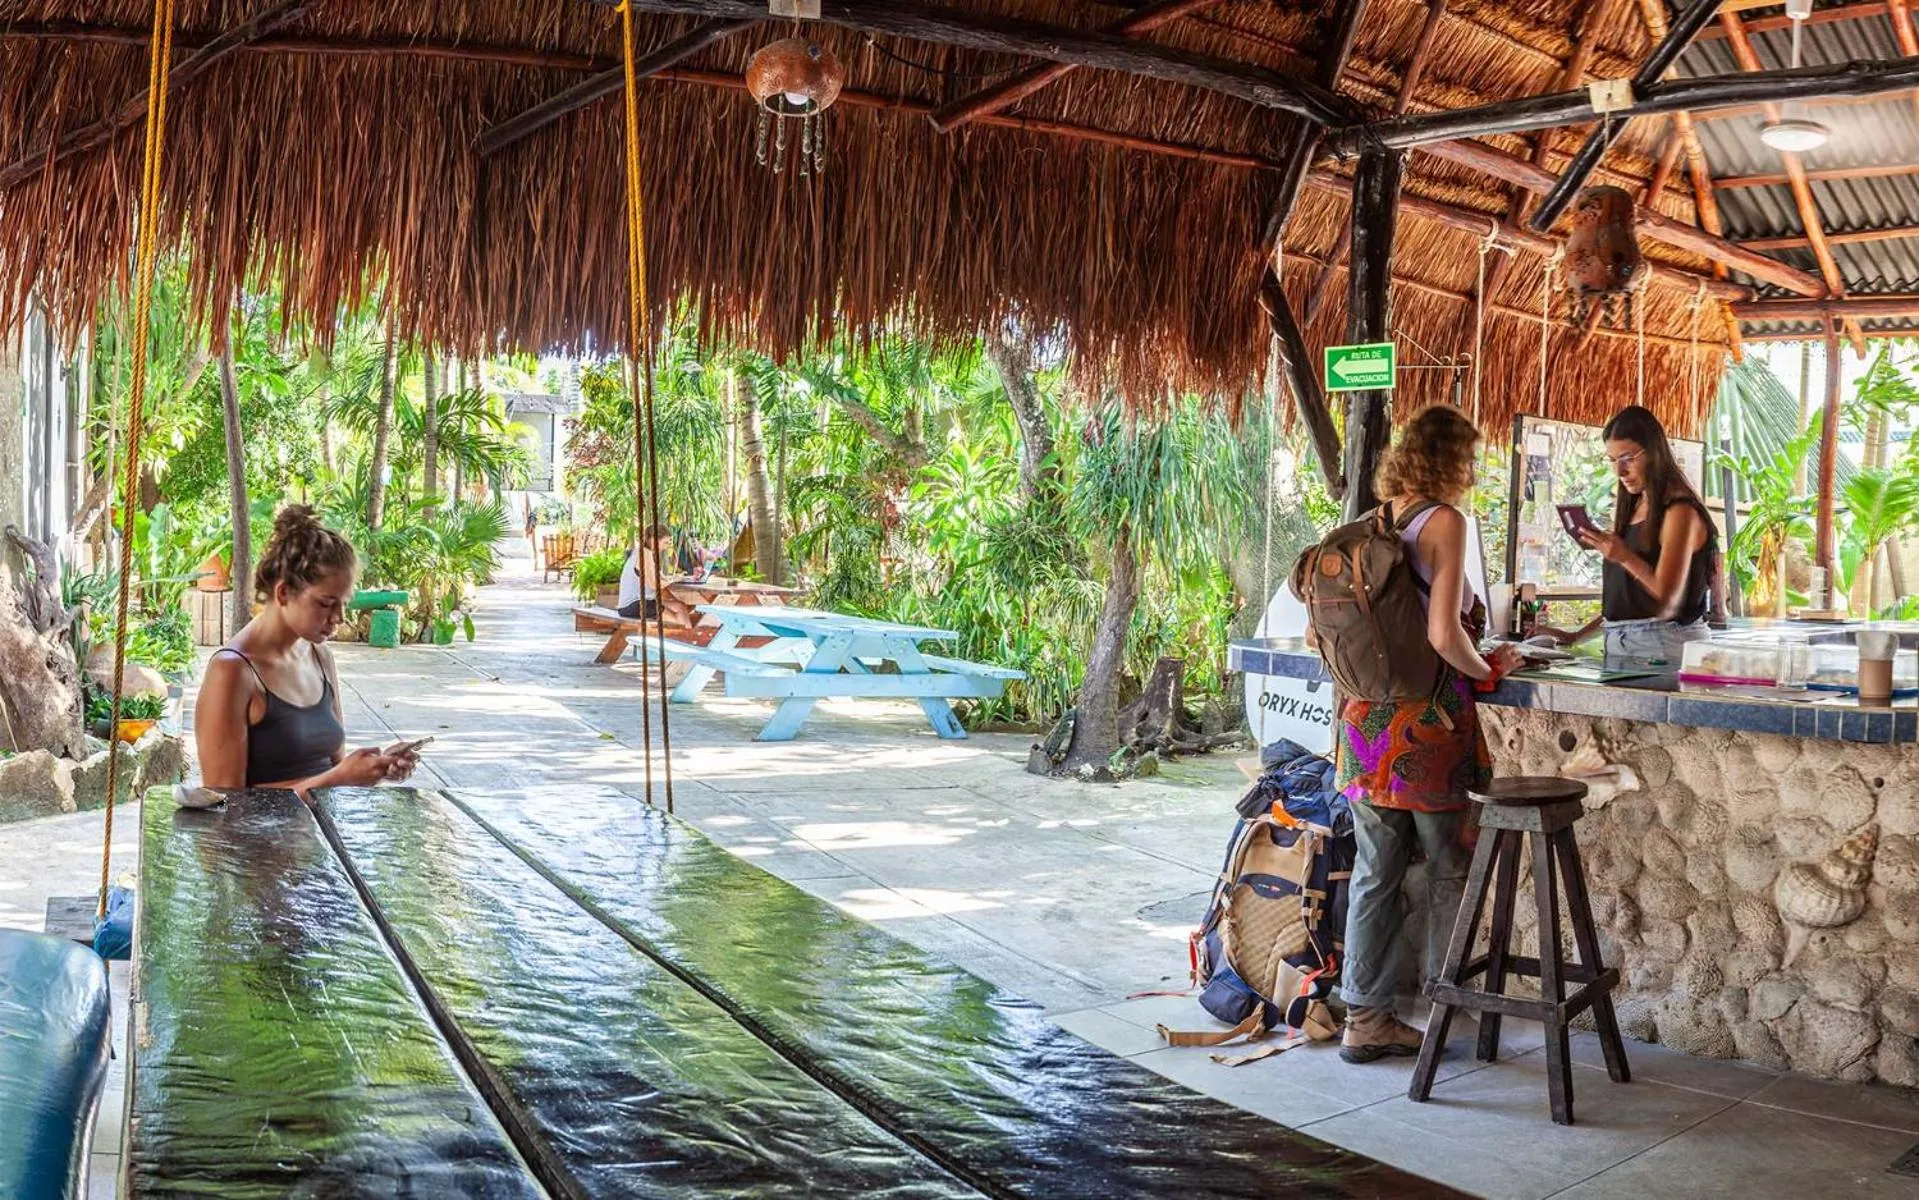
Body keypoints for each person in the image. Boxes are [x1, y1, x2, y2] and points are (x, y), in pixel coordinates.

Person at [1335, 405, 1522, 1064]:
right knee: (1447, 870)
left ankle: (1364, 1018)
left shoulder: (1365, 522)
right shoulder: (1444, 521)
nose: (1472, 471)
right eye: (1468, 458)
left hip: (1361, 727)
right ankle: (1446, 1012)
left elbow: (1320, 635)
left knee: (1373, 876)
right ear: (1451, 459)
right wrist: (1489, 667)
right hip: (1427, 728)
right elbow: (1445, 637)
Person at [195, 506, 419, 793]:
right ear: (284, 592)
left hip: (320, 832)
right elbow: (224, 802)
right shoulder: (232, 670)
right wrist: (339, 778)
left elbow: (332, 767)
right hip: (262, 839)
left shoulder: (320, 657)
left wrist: (375, 768)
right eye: (326, 603)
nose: (339, 617)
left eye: (344, 603)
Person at [1538, 405, 1719, 664]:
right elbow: (1629, 601)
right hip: (1625, 642)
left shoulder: (1680, 511)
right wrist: (1576, 636)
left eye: (1627, 458)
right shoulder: (1636, 506)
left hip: (1663, 644)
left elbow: (1667, 598)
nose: (1619, 472)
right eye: (1612, 460)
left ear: (1654, 453)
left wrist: (1623, 557)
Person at [616, 524, 676, 620]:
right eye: (665, 543)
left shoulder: (645, 552)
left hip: (635, 604)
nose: (666, 547)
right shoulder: (644, 553)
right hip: (634, 605)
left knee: (680, 607)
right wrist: (671, 582)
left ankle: (689, 633)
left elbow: (661, 577)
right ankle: (687, 633)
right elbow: (653, 584)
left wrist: (675, 579)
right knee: (676, 620)